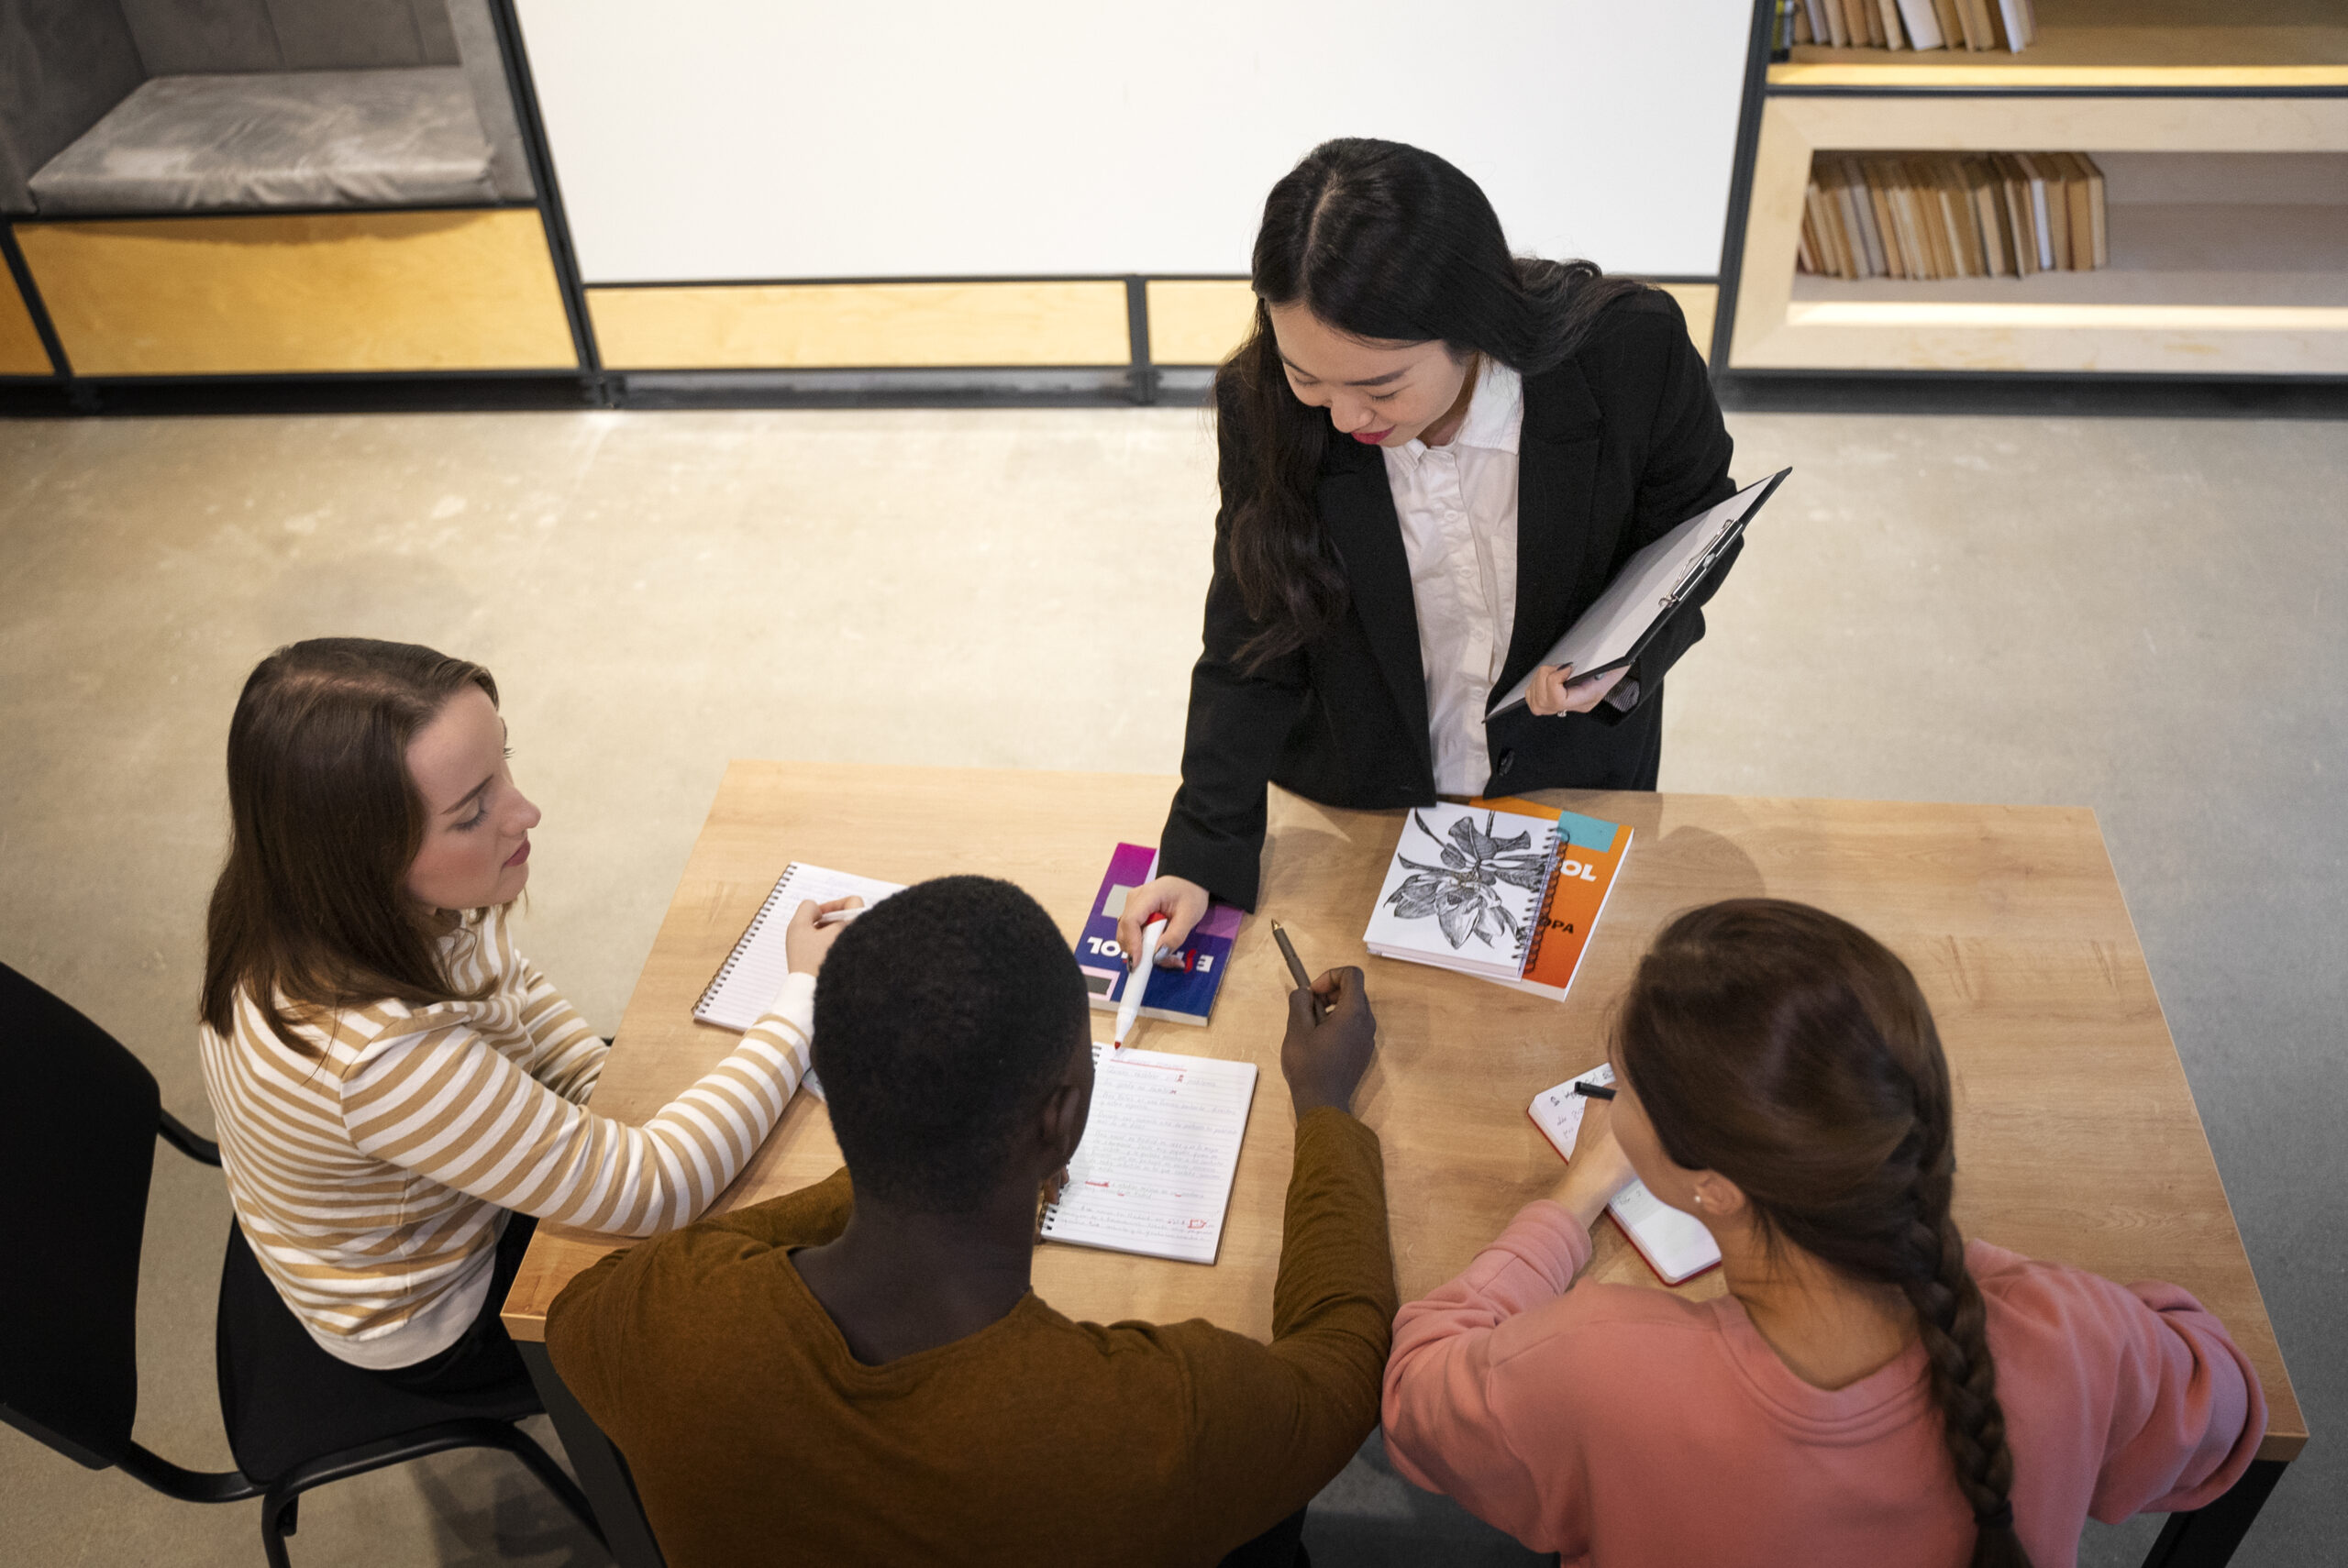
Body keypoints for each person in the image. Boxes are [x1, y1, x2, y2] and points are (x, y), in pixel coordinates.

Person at [1381, 900, 2266, 1568]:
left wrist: (1568, 1202)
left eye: (1629, 1093)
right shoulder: (2069, 1332)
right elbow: (2222, 1405)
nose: (1615, 1104)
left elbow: (1417, 1394)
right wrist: (1972, 1262)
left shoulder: (1592, 1367)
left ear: (1713, 1188)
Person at [544, 875, 1394, 1567]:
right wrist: (1324, 1108)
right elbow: (1346, 1362)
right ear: (1058, 1119)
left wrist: (896, 1166)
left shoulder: (664, 1320)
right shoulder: (1156, 1420)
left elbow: (584, 1308)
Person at [1121, 137, 1738, 961]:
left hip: (1569, 775)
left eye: (1380, 388)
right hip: (1365, 792)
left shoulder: (1631, 356)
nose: (1341, 417)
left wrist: (1629, 657)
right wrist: (1201, 852)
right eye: (1308, 376)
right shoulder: (1264, 404)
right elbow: (1251, 635)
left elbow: (1696, 529)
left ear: (1471, 326)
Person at [198, 637, 850, 1395]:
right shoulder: (382, 1059)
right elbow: (655, 1191)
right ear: (360, 858)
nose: (525, 811)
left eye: (503, 764)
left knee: (719, 1101)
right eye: (474, 812)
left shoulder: (309, 902)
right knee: (785, 1297)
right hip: (440, 1318)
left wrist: (605, 1087)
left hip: (398, 1202)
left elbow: (504, 988)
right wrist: (801, 996)